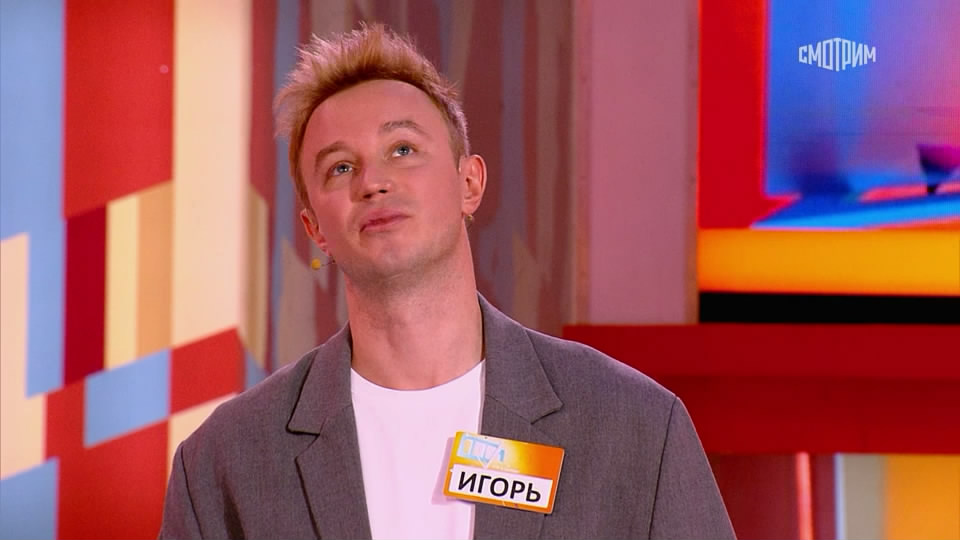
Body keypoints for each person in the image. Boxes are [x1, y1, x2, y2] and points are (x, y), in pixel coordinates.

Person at [158, 23, 734, 540]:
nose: (373, 182)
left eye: (403, 149)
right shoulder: (225, 462)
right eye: (341, 167)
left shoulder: (632, 426)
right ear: (315, 229)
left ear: (469, 184)